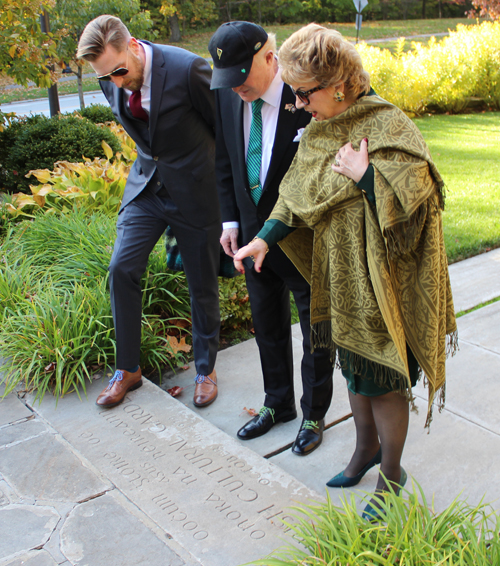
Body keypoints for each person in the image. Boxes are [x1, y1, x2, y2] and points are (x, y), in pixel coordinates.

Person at [234, 23, 457, 519]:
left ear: (336, 83)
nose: (298, 102)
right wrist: (262, 240)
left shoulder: (388, 124)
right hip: (338, 273)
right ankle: (363, 450)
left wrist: (366, 177)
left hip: (381, 279)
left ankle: (392, 475)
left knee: (381, 379)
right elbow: (293, 196)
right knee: (354, 372)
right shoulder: (320, 127)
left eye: (304, 92)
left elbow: (419, 205)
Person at [77, 15, 221, 410]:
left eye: (120, 71)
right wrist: (113, 78)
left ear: (133, 45)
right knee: (122, 267)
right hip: (146, 187)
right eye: (106, 77)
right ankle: (128, 369)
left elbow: (221, 129)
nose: (116, 82)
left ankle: (205, 369)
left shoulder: (187, 68)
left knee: (201, 281)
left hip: (194, 190)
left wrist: (228, 198)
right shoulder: (111, 77)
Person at [209, 21, 334, 456]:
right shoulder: (228, 96)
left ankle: (314, 414)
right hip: (249, 238)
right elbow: (224, 162)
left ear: (269, 57)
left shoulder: (307, 98)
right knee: (267, 327)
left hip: (304, 240)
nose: (235, 87)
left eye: (242, 75)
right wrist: (230, 223)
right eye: (228, 79)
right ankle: (276, 403)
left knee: (316, 330)